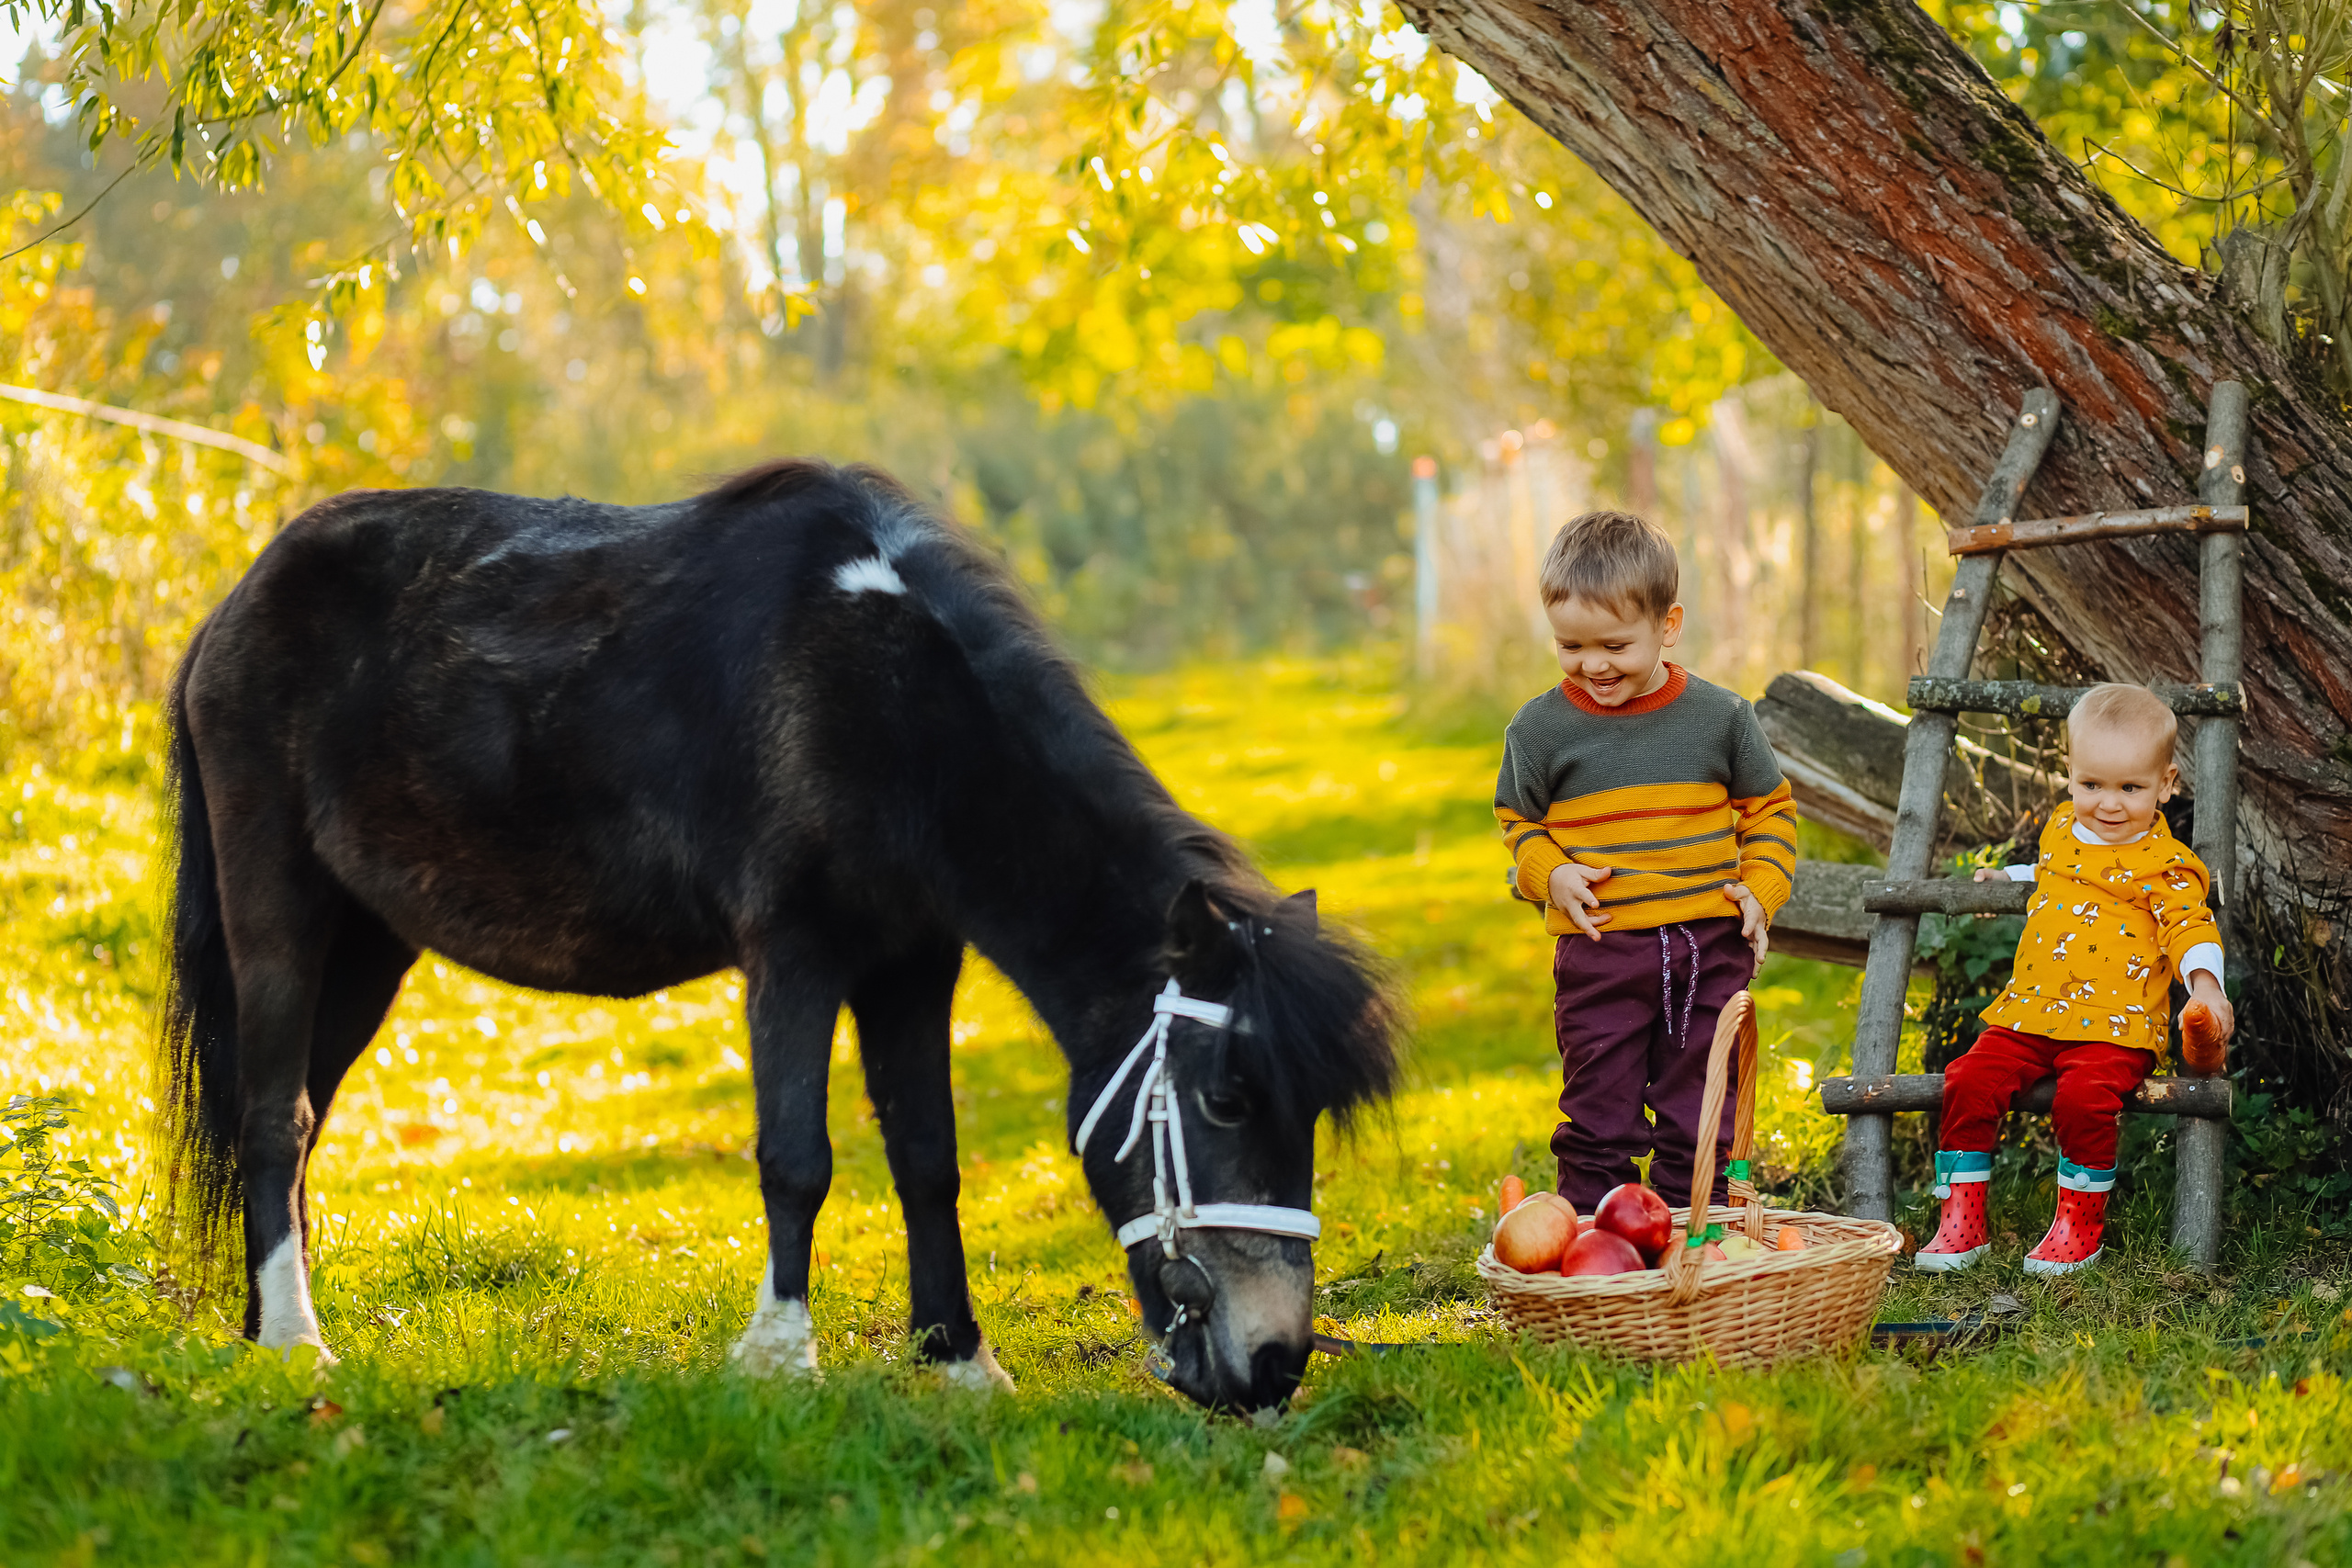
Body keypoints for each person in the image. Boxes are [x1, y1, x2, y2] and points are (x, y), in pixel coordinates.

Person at [1495, 510, 1798, 1211]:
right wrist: (1552, 873)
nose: (1593, 664)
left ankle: (1699, 1234)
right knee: (1599, 1111)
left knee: (1703, 1110)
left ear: (1668, 625)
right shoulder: (1539, 729)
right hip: (1601, 951)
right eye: (1570, 644)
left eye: (1615, 644)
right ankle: (1604, 1249)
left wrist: (1761, 887)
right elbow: (1518, 820)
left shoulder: (1719, 717)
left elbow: (1770, 809)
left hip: (1707, 945)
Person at [1915, 682, 2233, 1276]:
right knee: (1968, 1080)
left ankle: (2078, 1224)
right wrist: (2006, 878)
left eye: (2130, 788)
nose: (2108, 803)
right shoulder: (2062, 827)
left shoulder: (2163, 865)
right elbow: (2052, 871)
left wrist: (2205, 986)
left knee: (2083, 1099)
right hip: (2030, 1013)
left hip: (2113, 1025)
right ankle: (1961, 1219)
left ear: (2166, 784)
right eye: (2092, 784)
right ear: (2070, 774)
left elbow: (2190, 925)